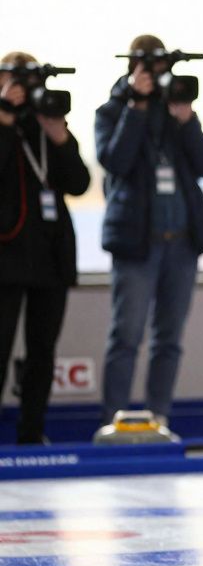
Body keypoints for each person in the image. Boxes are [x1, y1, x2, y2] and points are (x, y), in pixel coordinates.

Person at [94, 34, 203, 434]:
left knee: (169, 339)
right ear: (132, 69)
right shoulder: (111, 111)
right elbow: (115, 160)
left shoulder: (177, 112)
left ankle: (159, 418)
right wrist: (136, 106)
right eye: (148, 70)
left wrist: (187, 121)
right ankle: (113, 420)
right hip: (136, 243)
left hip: (181, 242)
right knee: (126, 336)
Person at [0, 52, 91, 444]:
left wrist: (61, 139)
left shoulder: (47, 125)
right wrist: (4, 119)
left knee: (43, 352)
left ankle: (32, 431)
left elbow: (80, 183)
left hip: (50, 257)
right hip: (6, 258)